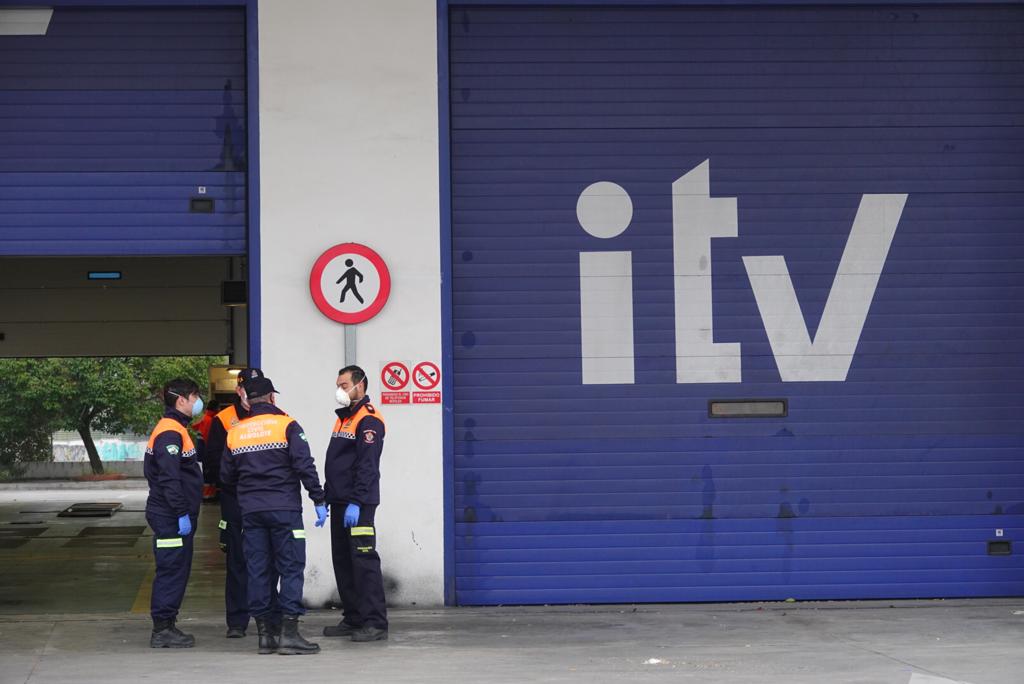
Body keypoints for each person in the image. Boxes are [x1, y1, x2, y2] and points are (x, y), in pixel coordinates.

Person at [222, 376, 329, 655]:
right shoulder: (287, 425)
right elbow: (304, 465)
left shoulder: (236, 432)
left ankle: (265, 636)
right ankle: (289, 634)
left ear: (248, 400)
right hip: (284, 510)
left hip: (252, 512)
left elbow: (225, 476)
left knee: (258, 571)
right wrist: (318, 498)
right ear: (272, 398)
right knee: (291, 568)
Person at [206, 368, 280, 638]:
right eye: (248, 388)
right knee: (238, 560)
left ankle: (270, 618)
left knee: (271, 560)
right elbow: (213, 465)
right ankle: (237, 621)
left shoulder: (278, 418)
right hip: (236, 499)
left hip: (268, 499)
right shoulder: (224, 421)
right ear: (239, 391)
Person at [322, 365, 389, 642]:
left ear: (360, 385)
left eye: (344, 384)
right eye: (338, 384)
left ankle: (375, 622)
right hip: (340, 501)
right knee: (343, 562)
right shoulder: (344, 418)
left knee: (363, 561)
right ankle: (354, 618)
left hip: (357, 505)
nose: (339, 390)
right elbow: (338, 462)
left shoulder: (368, 419)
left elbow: (367, 466)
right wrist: (328, 495)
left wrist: (357, 501)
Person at [144, 378, 205, 648]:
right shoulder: (170, 432)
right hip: (170, 515)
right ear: (181, 399)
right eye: (194, 398)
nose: (197, 403)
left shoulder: (175, 428)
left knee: (175, 568)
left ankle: (166, 625)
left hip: (172, 513)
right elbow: (169, 477)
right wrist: (181, 512)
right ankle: (162, 629)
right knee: (172, 569)